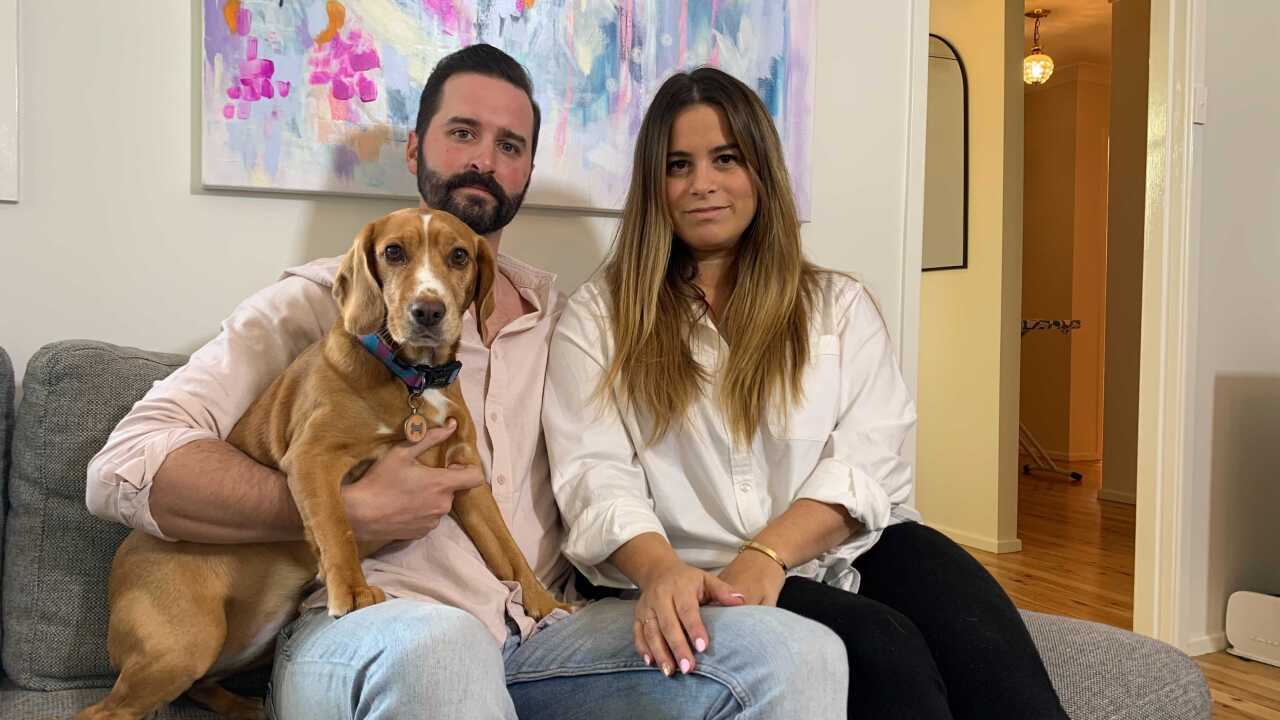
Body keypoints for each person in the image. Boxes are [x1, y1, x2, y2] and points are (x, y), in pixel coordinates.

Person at [86, 46, 847, 719]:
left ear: (526, 170)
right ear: (417, 146)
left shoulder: (573, 321)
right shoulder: (316, 305)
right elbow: (125, 465)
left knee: (793, 650)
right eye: (463, 133)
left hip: (545, 637)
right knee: (441, 650)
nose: (485, 158)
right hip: (373, 633)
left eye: (509, 144)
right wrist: (344, 508)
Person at [542, 66, 1070, 719]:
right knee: (884, 649)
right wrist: (661, 572)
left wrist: (771, 552)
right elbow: (595, 481)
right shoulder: (599, 319)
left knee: (999, 670)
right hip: (704, 570)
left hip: (849, 544)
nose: (703, 183)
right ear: (654, 185)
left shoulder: (837, 305)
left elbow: (871, 457)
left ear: (760, 170)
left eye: (725, 159)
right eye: (679, 165)